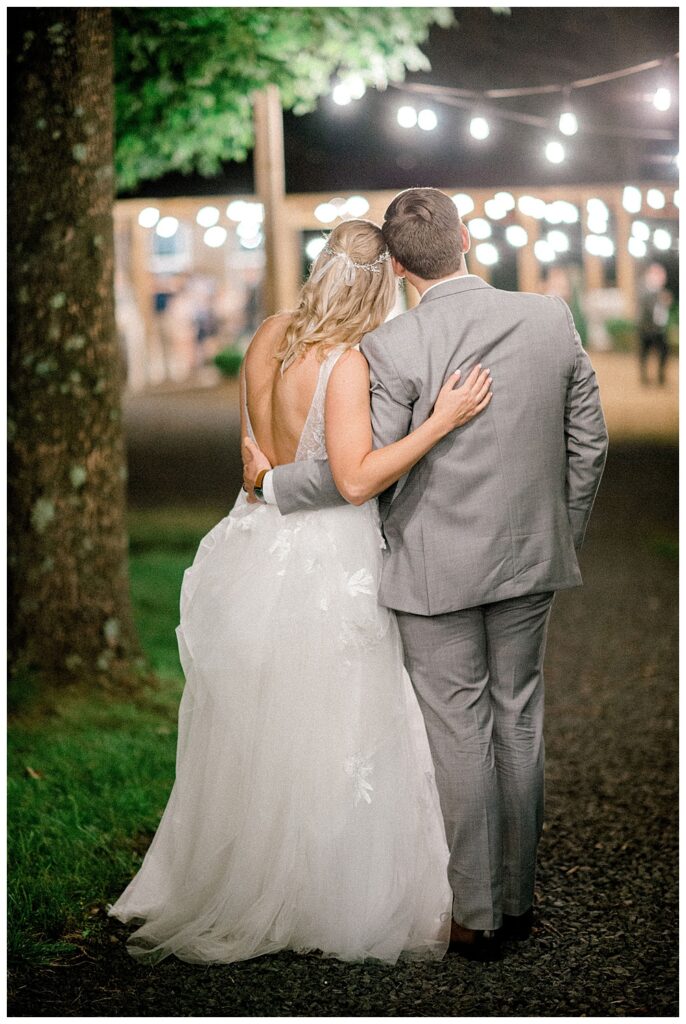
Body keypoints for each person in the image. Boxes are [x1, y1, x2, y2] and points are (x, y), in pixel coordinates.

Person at [108, 218, 493, 965]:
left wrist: (264, 482)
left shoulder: (269, 335)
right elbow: (354, 480)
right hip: (329, 555)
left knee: (259, 722)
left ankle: (244, 876)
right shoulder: (350, 363)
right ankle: (323, 894)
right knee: (342, 718)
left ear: (322, 267)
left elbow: (251, 456)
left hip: (254, 541)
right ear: (384, 282)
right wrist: (441, 422)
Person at [244, 187, 608, 962]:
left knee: (460, 734)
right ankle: (517, 901)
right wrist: (557, 535)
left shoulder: (393, 347)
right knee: (519, 721)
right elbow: (590, 443)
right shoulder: (550, 319)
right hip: (530, 563)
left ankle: (475, 915)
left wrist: (271, 486)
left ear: (401, 266)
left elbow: (359, 472)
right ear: (467, 237)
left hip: (431, 572)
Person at [638, 262, 672, 386]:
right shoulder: (645, 290)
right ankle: (644, 378)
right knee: (644, 354)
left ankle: (660, 377)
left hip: (659, 328)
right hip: (646, 328)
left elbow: (661, 310)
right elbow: (646, 308)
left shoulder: (660, 291)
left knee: (664, 352)